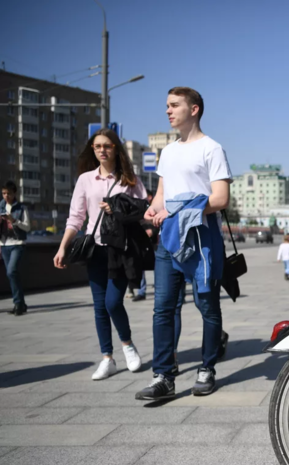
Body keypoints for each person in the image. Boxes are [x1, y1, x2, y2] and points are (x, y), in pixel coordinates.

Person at [135, 87, 232, 400]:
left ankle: (207, 367)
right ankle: (163, 375)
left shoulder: (212, 149)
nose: (167, 110)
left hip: (202, 239)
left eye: (174, 105)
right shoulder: (169, 152)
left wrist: (177, 209)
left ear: (194, 109)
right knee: (163, 308)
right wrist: (153, 208)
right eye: (166, 105)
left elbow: (220, 198)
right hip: (169, 241)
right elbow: (162, 193)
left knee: (207, 306)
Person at [53, 128, 146, 380]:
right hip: (95, 249)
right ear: (93, 151)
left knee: (112, 302)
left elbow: (144, 212)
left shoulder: (131, 179)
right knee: (99, 307)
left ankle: (127, 345)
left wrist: (116, 209)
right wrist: (62, 247)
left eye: (107, 145)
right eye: (97, 147)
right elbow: (76, 217)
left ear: (116, 148)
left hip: (121, 249)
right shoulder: (85, 179)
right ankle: (107, 358)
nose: (102, 150)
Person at [1, 181, 30, 316]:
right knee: (12, 275)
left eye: (9, 193)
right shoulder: (0, 207)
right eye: (4, 193)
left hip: (18, 244)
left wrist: (14, 221)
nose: (6, 196)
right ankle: (20, 304)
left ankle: (18, 303)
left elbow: (27, 227)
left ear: (14, 194)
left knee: (11, 272)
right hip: (4, 244)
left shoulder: (21, 208)